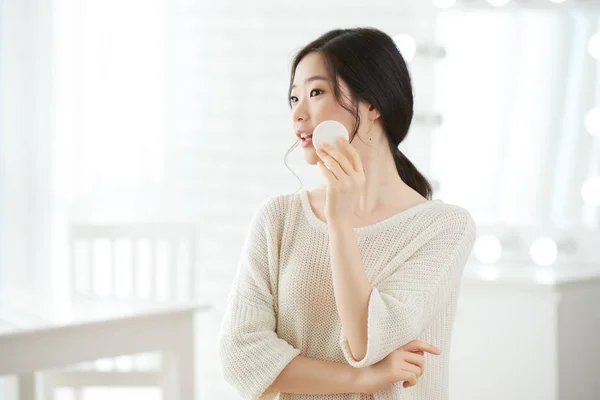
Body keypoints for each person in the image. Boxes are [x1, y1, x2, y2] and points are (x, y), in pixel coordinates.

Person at [217, 27, 476, 400]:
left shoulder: (443, 228)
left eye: (316, 92)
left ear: (372, 105)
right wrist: (363, 379)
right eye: (293, 98)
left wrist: (341, 225)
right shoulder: (279, 218)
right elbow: (240, 355)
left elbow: (367, 341)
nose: (298, 114)